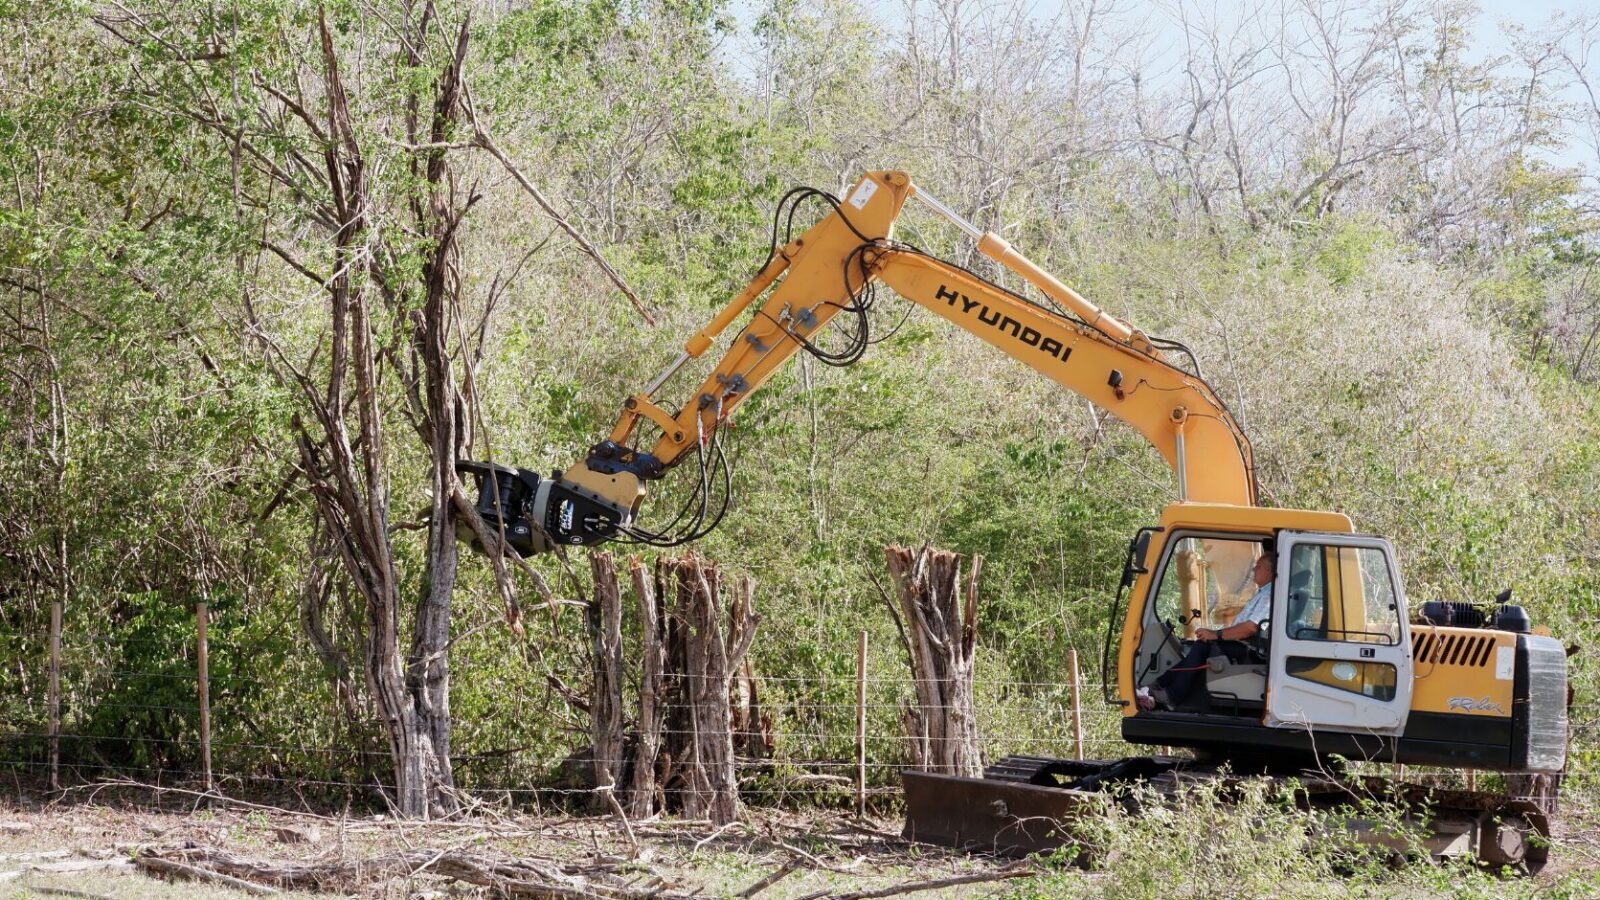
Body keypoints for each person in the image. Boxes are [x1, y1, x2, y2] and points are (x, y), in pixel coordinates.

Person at [1141, 548, 1275, 711]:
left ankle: (1170, 695)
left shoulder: (1269, 595)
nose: (1254, 570)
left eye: (1258, 567)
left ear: (1270, 570)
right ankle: (1155, 688)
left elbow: (1251, 627)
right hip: (1244, 644)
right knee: (1202, 643)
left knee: (1203, 645)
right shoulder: (1262, 593)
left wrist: (1216, 634)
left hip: (1249, 650)